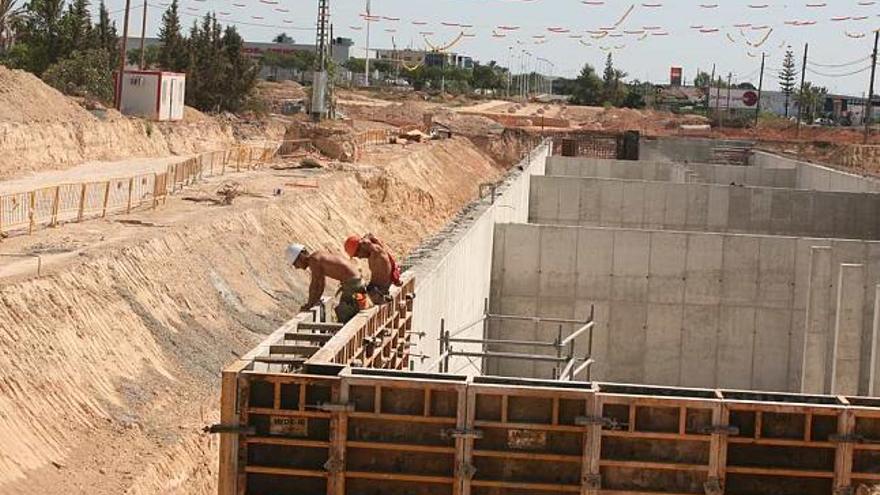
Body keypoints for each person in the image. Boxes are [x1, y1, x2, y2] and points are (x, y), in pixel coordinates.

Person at [286, 243, 371, 324]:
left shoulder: (314, 260)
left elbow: (316, 284)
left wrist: (310, 305)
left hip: (353, 284)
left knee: (344, 316)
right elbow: (319, 284)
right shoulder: (317, 256)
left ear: (301, 256)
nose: (296, 267)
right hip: (355, 282)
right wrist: (312, 302)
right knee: (345, 312)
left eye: (295, 263)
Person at [344, 233, 402, 303]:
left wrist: (363, 241)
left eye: (357, 254)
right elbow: (369, 235)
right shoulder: (373, 253)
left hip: (378, 292)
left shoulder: (376, 252)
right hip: (375, 289)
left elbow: (368, 240)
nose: (359, 257)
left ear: (362, 246)